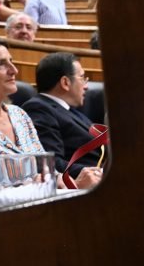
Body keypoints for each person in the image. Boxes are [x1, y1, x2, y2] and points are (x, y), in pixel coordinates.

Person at [22, 53, 105, 184]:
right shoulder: (39, 108)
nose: (86, 86)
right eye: (82, 78)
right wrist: (98, 171)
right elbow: (52, 161)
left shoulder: (69, 110)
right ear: (65, 82)